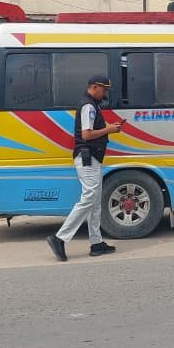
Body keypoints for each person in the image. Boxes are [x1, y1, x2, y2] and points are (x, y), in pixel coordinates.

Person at [46, 74, 123, 262]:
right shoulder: (88, 105)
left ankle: (96, 243)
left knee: (95, 201)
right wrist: (109, 130)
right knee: (89, 198)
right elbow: (87, 135)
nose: (105, 93)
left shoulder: (92, 105)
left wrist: (108, 126)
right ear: (94, 87)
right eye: (103, 89)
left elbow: (93, 127)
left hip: (92, 158)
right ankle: (59, 238)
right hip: (87, 158)